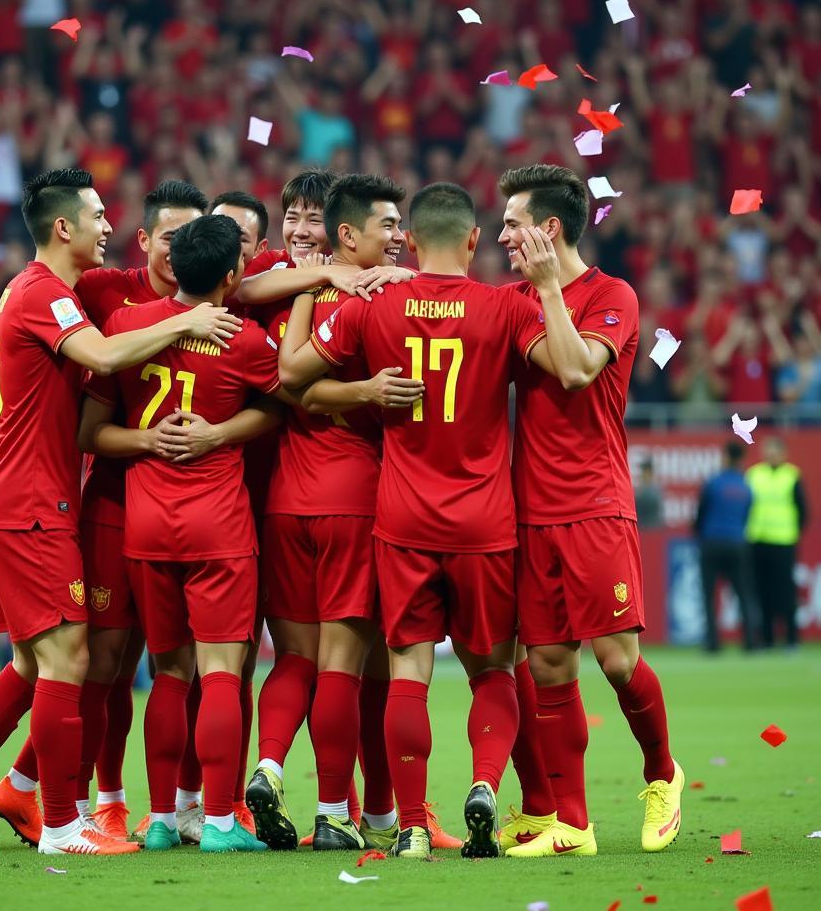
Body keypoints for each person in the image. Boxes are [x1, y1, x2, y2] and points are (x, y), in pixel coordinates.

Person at [0, 168, 241, 856]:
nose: (106, 227)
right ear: (64, 227)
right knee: (70, 659)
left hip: (23, 497)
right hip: (29, 502)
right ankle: (62, 823)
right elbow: (106, 352)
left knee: (35, 666)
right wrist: (189, 317)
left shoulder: (37, 293)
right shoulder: (43, 295)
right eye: (95, 216)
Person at [279, 181, 584, 860]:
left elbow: (292, 376)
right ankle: (482, 785)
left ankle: (413, 823)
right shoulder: (506, 307)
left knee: (408, 671)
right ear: (475, 241)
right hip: (484, 523)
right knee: (493, 672)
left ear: (409, 243)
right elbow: (569, 370)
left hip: (404, 518)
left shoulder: (373, 303)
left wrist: (352, 367)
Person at [495, 164, 683, 859]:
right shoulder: (514, 301)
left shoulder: (614, 295)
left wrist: (547, 291)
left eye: (513, 223)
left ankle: (663, 774)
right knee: (546, 664)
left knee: (616, 658)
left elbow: (575, 370)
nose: (502, 235)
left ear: (548, 229)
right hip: (528, 510)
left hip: (596, 503)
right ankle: (572, 823)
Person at [79, 213, 284, 853]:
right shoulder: (246, 340)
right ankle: (221, 820)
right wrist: (222, 433)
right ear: (232, 274)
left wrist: (148, 442)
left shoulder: (125, 326)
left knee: (167, 673)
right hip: (218, 526)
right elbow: (287, 403)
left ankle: (163, 819)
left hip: (144, 524)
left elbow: (91, 435)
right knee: (221, 673)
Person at [245, 174, 418, 852]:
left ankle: (267, 766)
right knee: (345, 665)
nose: (299, 231)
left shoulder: (320, 286)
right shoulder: (378, 290)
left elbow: (293, 384)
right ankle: (335, 810)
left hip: (287, 497)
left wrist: (314, 285)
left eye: (313, 218)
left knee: (294, 660)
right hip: (355, 496)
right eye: (291, 217)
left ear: (338, 228)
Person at [746, 436, 810, 650]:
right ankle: (767, 638)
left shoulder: (791, 476)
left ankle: (792, 638)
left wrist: (793, 532)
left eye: (774, 451)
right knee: (762, 592)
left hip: (783, 541)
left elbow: (803, 511)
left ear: (784, 453)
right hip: (758, 539)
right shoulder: (754, 474)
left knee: (785, 592)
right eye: (767, 450)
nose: (770, 455)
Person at [694, 441, 757, 652]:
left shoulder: (713, 483)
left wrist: (700, 535)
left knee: (709, 595)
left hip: (711, 543)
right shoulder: (746, 486)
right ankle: (750, 641)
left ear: (726, 457)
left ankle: (713, 643)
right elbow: (748, 514)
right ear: (741, 459)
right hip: (737, 543)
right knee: (743, 594)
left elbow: (700, 514)